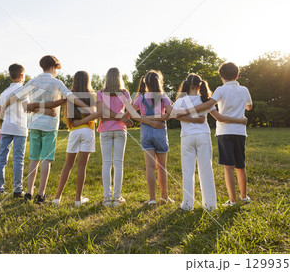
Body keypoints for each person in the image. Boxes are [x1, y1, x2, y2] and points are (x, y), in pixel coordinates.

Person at [9, 55, 92, 204]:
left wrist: (37, 107)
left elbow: (23, 102)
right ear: (53, 67)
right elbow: (71, 97)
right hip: (50, 126)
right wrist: (87, 107)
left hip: (34, 125)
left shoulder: (33, 81)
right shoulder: (56, 82)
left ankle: (29, 192)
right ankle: (41, 194)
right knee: (46, 159)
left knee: (34, 159)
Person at [173, 73, 247, 211]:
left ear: (187, 85)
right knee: (206, 170)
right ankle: (210, 205)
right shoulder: (205, 100)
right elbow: (218, 116)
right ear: (200, 85)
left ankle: (187, 205)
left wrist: (187, 117)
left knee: (187, 171)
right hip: (203, 136)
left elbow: (174, 115)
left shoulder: (180, 101)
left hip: (187, 137)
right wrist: (240, 120)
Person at [0, 63, 55, 198]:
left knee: (1, 159)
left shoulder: (4, 93)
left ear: (10, 76)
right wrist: (47, 111)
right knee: (18, 159)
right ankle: (17, 190)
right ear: (22, 76)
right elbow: (28, 107)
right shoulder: (23, 90)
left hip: (5, 129)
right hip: (20, 129)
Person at [52, 71, 98, 207]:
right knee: (81, 166)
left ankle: (57, 198)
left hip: (74, 132)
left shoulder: (70, 96)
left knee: (68, 165)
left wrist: (78, 123)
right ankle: (78, 199)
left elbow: (71, 122)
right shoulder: (92, 96)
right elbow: (95, 115)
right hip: (88, 131)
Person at [130, 70, 174, 205]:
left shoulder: (140, 98)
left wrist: (145, 118)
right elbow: (171, 114)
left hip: (146, 133)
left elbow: (132, 113)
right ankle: (164, 197)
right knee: (162, 167)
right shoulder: (163, 97)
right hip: (160, 132)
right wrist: (160, 117)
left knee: (150, 167)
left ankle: (152, 199)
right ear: (158, 82)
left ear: (145, 82)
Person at [96, 68, 133, 206]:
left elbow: (102, 112)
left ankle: (107, 198)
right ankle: (117, 198)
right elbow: (129, 111)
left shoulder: (100, 93)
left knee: (106, 163)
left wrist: (113, 115)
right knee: (118, 163)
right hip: (119, 129)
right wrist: (123, 116)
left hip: (105, 129)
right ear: (119, 78)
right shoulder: (124, 93)